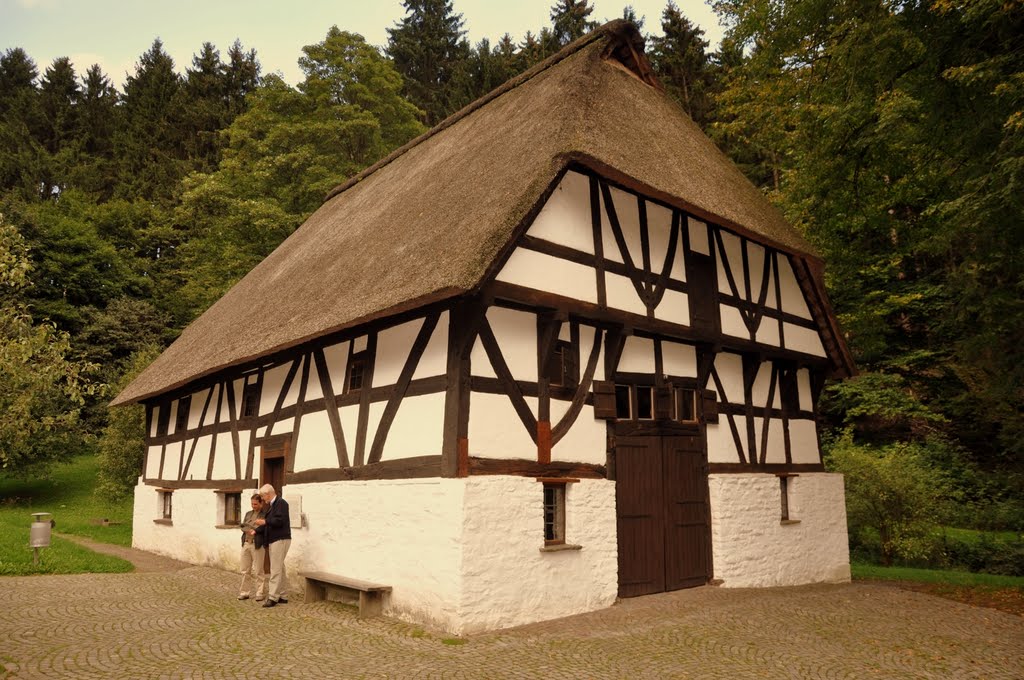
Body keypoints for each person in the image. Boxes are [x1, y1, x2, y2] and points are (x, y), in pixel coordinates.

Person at [254, 483, 291, 607]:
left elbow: (279, 521)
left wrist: (264, 521)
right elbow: (270, 523)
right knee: (280, 568)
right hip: (275, 540)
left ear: (268, 494)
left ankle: (273, 597)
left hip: (280, 539)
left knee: (275, 569)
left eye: (263, 497)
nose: (262, 500)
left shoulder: (281, 503)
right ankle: (283, 595)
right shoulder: (272, 505)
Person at [237, 493, 267, 601]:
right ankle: (244, 592)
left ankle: (260, 592)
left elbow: (264, 528)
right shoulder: (248, 514)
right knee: (245, 570)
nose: (253, 506)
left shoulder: (264, 515)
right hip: (246, 543)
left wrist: (255, 530)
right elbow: (244, 526)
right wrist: (246, 528)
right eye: (252, 504)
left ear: (261, 503)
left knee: (258, 570)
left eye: (255, 504)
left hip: (257, 544)